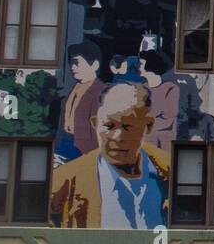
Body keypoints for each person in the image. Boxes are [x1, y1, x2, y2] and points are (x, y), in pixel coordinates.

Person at [49, 82, 170, 229]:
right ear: (95, 123)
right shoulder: (63, 183)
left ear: (148, 125)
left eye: (128, 127)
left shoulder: (169, 171)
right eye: (108, 126)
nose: (118, 137)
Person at [61, 40, 104, 156]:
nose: (73, 67)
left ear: (95, 65)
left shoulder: (101, 92)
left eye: (77, 63)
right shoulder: (75, 88)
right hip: (67, 141)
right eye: (71, 63)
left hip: (86, 148)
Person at [138, 49, 179, 151]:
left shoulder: (171, 88)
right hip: (143, 137)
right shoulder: (142, 88)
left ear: (150, 65)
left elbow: (168, 117)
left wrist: (144, 127)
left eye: (141, 63)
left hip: (162, 139)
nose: (138, 66)